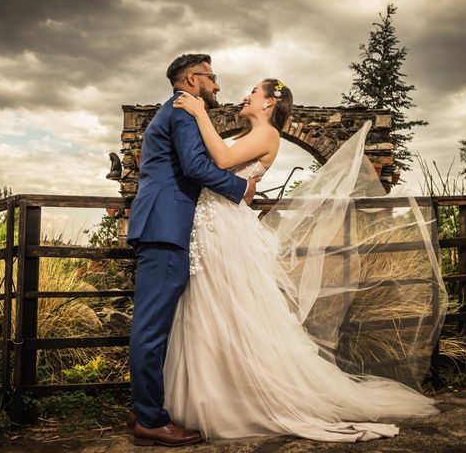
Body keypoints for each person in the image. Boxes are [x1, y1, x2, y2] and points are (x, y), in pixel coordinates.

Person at [163, 79, 447, 443]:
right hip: (210, 225)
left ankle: (235, 399)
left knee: (226, 307)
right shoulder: (253, 132)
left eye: (254, 91)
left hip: (224, 230)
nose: (245, 95)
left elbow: (220, 159)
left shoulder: (268, 135)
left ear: (269, 104)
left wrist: (200, 111)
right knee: (209, 307)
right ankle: (212, 393)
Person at [126, 53, 262, 447]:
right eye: (212, 77)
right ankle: (150, 420)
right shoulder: (185, 110)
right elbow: (195, 166)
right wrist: (242, 189)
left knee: (152, 323)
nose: (217, 85)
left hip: (160, 223)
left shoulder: (173, 110)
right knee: (151, 326)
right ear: (191, 79)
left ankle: (144, 410)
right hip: (166, 226)